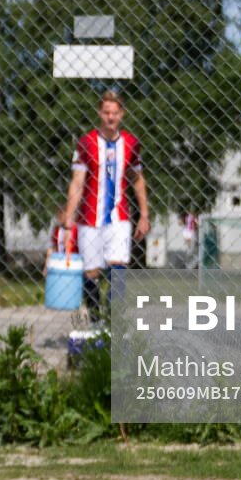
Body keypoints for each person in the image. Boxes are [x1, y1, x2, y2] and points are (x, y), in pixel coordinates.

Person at [59, 91, 150, 326]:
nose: (110, 117)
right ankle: (96, 321)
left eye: (115, 113)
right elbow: (77, 182)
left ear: (122, 114)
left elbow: (137, 179)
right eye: (106, 112)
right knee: (91, 273)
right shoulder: (86, 143)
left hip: (119, 217)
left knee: (118, 269)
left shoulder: (131, 143)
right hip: (90, 217)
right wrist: (68, 220)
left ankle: (112, 322)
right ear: (100, 113)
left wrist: (144, 215)